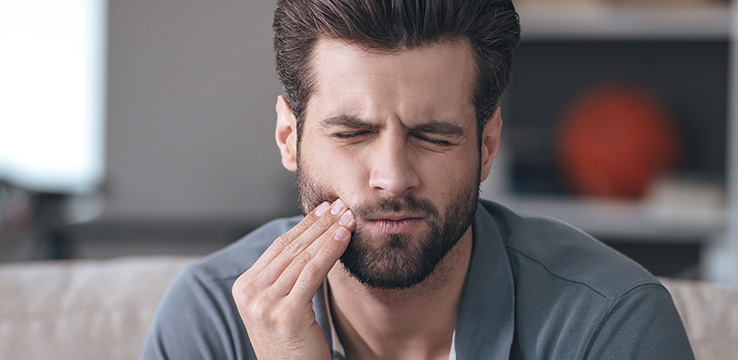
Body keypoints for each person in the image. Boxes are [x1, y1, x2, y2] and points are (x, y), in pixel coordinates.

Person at [142, 0, 695, 359]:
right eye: (351, 133)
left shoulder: (610, 323)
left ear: (487, 144)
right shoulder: (211, 321)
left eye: (432, 136)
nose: (392, 178)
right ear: (289, 138)